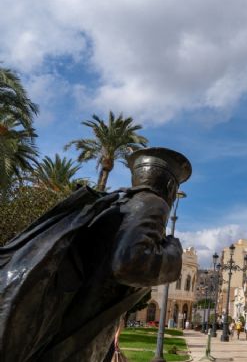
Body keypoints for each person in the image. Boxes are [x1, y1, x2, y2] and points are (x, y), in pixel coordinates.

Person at [0, 147, 191, 362]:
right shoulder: (152, 203)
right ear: (169, 186)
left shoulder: (115, 204)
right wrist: (174, 250)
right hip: (80, 334)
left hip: (67, 327)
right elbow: (129, 264)